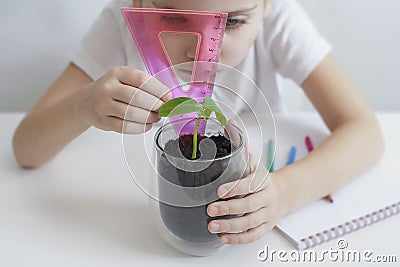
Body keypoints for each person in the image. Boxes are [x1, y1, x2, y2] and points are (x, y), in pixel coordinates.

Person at [12, 0, 384, 245]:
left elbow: (365, 132)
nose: (203, 49)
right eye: (176, 19)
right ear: (139, 2)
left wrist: (284, 192)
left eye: (234, 21)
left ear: (267, 5)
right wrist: (83, 105)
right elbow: (25, 149)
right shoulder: (118, 27)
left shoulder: (279, 22)